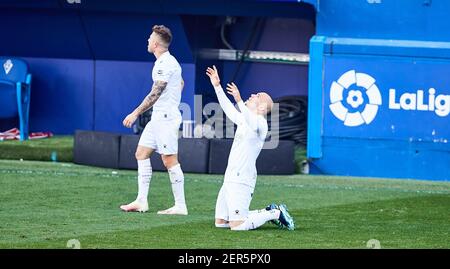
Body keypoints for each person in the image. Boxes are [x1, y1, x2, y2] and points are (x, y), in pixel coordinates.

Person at [206, 65, 295, 231]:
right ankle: (266, 211)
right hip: (230, 176)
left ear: (261, 108)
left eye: (257, 96)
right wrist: (217, 86)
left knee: (238, 226)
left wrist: (239, 100)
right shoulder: (244, 119)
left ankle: (275, 213)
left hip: (242, 179)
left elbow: (250, 120)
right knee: (221, 223)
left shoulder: (261, 124)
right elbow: (228, 109)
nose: (253, 95)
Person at [120, 25, 188, 215]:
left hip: (166, 119)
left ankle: (180, 206)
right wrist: (173, 97)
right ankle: (141, 201)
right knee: (141, 153)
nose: (148, 41)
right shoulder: (166, 62)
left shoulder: (165, 63)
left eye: (150, 38)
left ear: (156, 44)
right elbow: (181, 83)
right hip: (159, 117)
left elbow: (155, 94)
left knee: (169, 160)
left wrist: (135, 114)